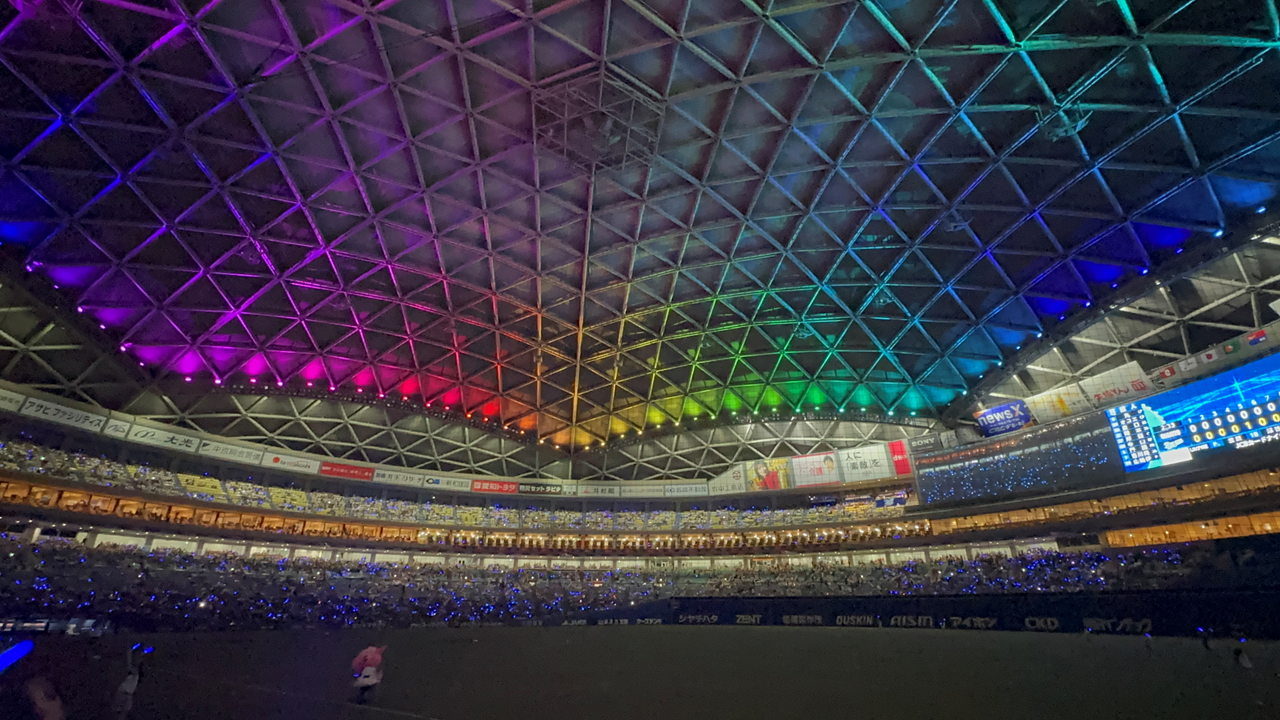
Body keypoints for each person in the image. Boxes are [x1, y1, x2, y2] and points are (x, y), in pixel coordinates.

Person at [112, 645, 145, 719]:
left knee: (123, 712)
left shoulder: (136, 672)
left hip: (128, 694)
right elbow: (129, 660)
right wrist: (131, 651)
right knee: (119, 711)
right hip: (123, 693)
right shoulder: (133, 670)